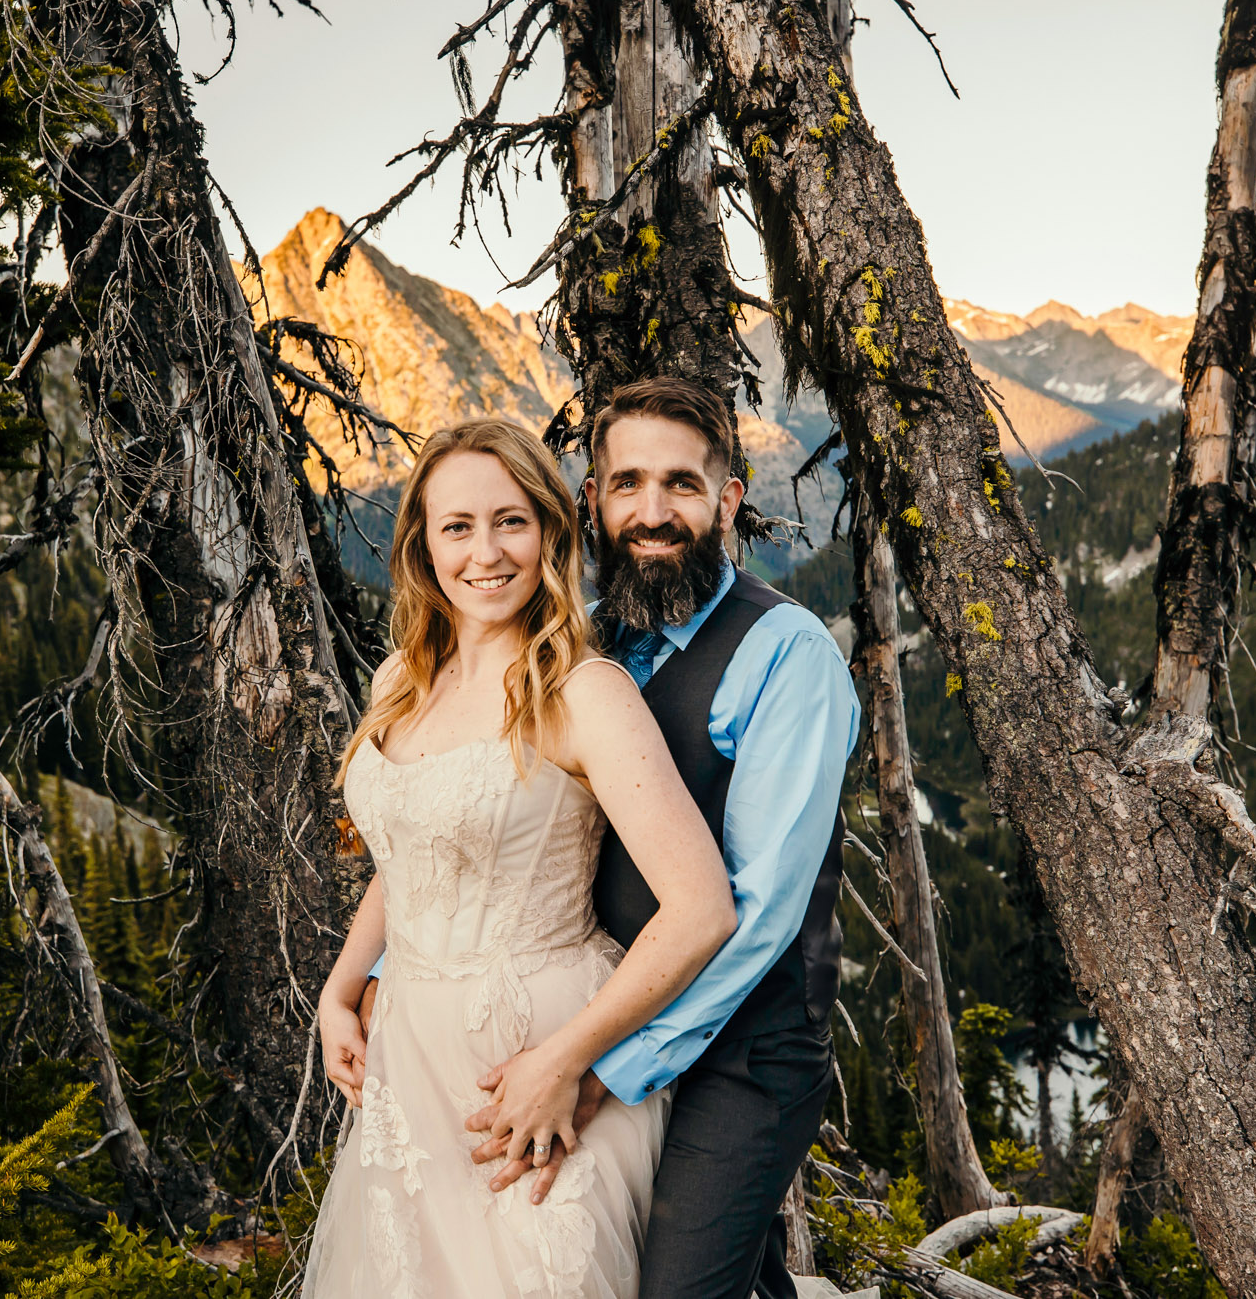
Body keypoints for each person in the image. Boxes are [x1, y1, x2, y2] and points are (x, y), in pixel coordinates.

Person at [362, 379, 860, 1299]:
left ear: (729, 499)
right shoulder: (585, 643)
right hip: (610, 1004)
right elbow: (483, 828)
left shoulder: (787, 655)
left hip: (742, 1046)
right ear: (591, 500)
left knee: (672, 1287)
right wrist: (384, 978)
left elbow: (752, 912)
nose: (653, 511)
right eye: (627, 483)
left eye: (681, 483)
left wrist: (599, 1065)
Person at [303, 419, 738, 1299]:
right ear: (423, 545)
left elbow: (701, 909)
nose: (486, 552)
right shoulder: (402, 682)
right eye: (457, 526)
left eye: (511, 520)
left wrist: (566, 1061)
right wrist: (340, 989)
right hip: (410, 1060)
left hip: (541, 1053)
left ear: (549, 529)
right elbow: (410, 852)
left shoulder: (584, 692)